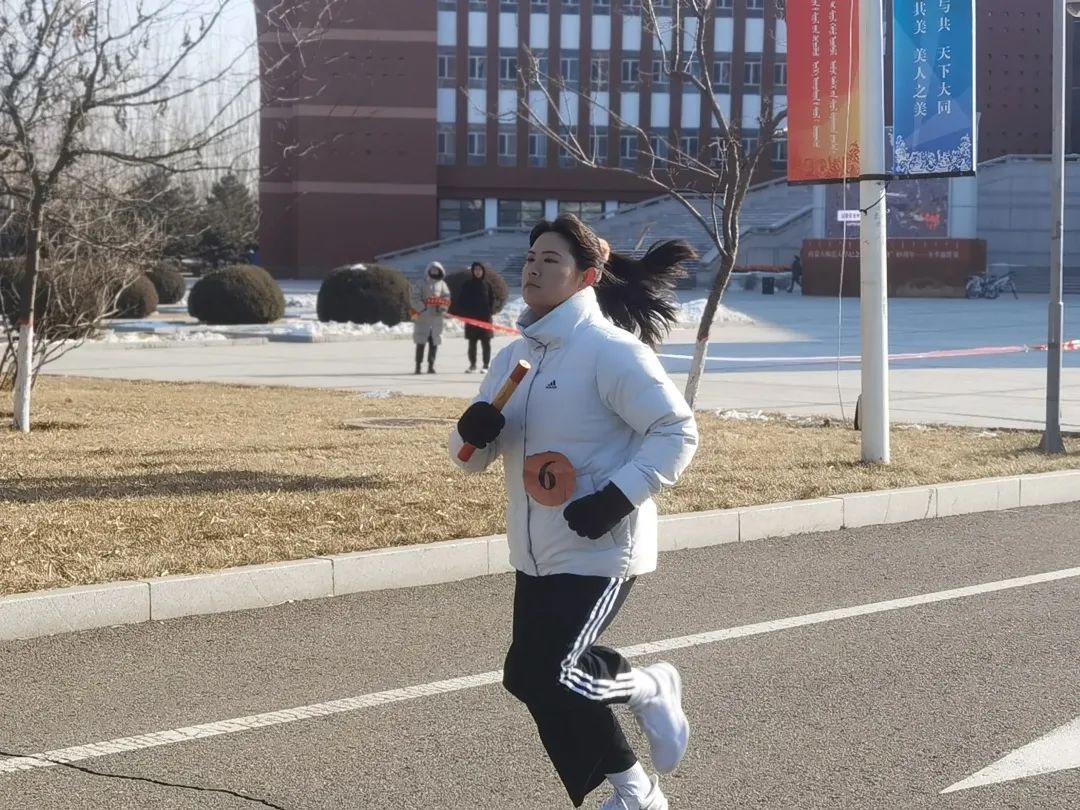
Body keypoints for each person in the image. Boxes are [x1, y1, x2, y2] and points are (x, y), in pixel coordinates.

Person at [449, 214, 699, 810]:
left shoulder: (610, 352)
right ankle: (636, 779)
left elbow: (676, 431)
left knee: (549, 672)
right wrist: (471, 434)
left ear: (586, 276)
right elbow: (468, 461)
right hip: (536, 547)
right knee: (529, 677)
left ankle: (645, 710)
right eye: (531, 257)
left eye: (551, 260)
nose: (534, 268)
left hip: (601, 546)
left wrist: (617, 496)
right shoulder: (514, 359)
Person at [457, 261, 497, 373]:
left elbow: (493, 299)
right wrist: (466, 313)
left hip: (485, 319)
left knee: (486, 343)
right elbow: (462, 300)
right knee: (472, 343)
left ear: (483, 271)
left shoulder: (487, 285)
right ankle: (472, 365)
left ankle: (485, 365)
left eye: (480, 270)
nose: (478, 272)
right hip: (472, 319)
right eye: (476, 270)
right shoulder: (467, 285)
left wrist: (490, 311)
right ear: (473, 271)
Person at [412, 262, 451, 374]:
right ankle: (418, 366)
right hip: (422, 318)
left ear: (440, 271)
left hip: (436, 318)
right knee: (420, 342)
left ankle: (431, 365)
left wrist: (442, 307)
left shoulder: (442, 284)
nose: (434, 271)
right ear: (428, 270)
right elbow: (414, 298)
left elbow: (446, 297)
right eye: (433, 269)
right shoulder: (420, 283)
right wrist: (422, 307)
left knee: (434, 342)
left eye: (436, 269)